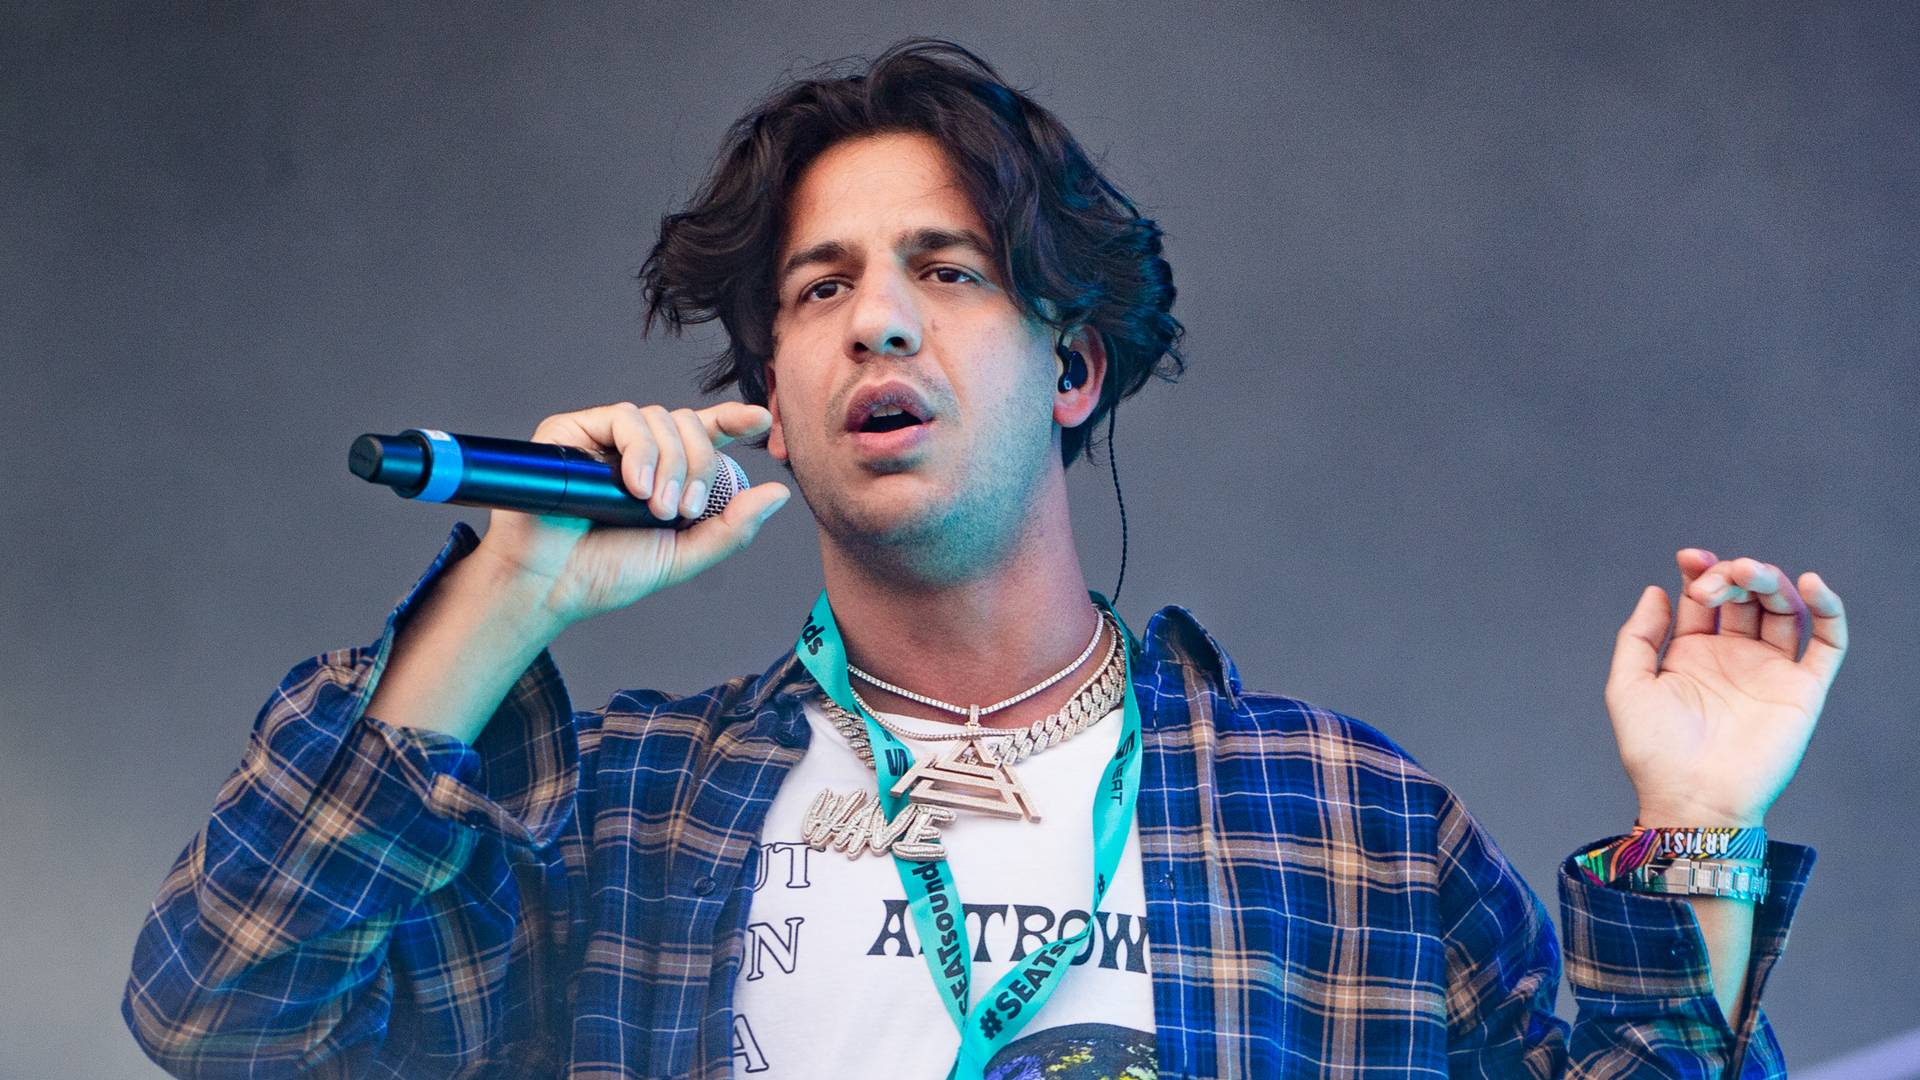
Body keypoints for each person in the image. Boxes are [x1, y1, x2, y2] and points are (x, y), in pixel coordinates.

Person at [122, 38, 1847, 1080]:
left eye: (945, 272)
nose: (877, 318)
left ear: (1072, 369)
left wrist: (1698, 823)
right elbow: (223, 1010)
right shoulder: (626, 818)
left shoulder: (1343, 821)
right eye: (820, 290)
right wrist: (506, 592)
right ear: (772, 408)